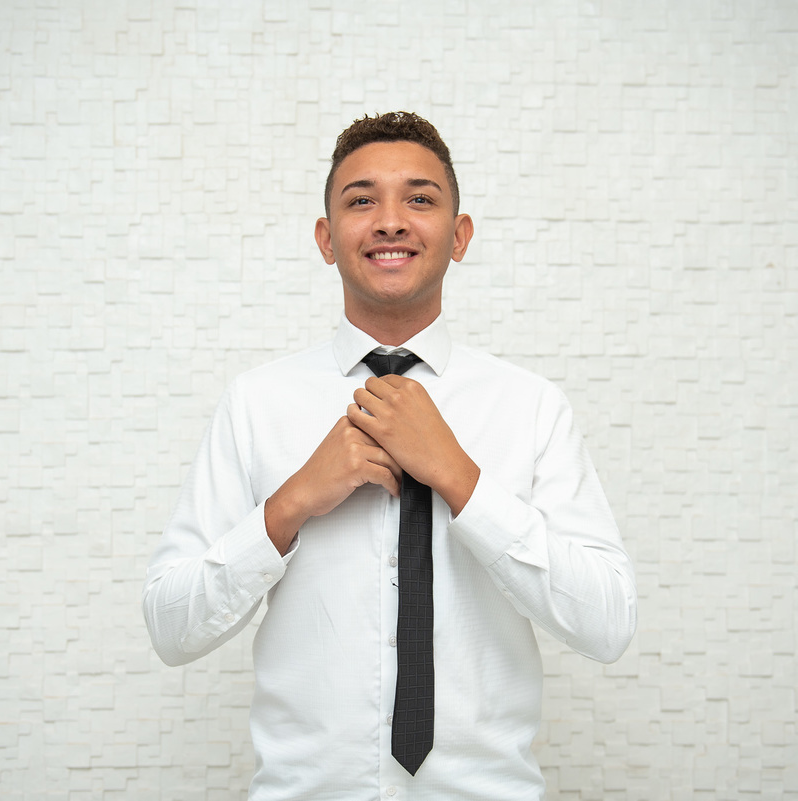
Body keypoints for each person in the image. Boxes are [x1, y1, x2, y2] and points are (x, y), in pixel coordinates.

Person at [143, 111, 637, 800]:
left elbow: (608, 621)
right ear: (326, 239)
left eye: (421, 198)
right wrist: (289, 505)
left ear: (459, 236)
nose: (390, 220)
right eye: (361, 199)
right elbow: (171, 626)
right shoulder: (255, 403)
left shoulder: (531, 406)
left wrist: (460, 479)